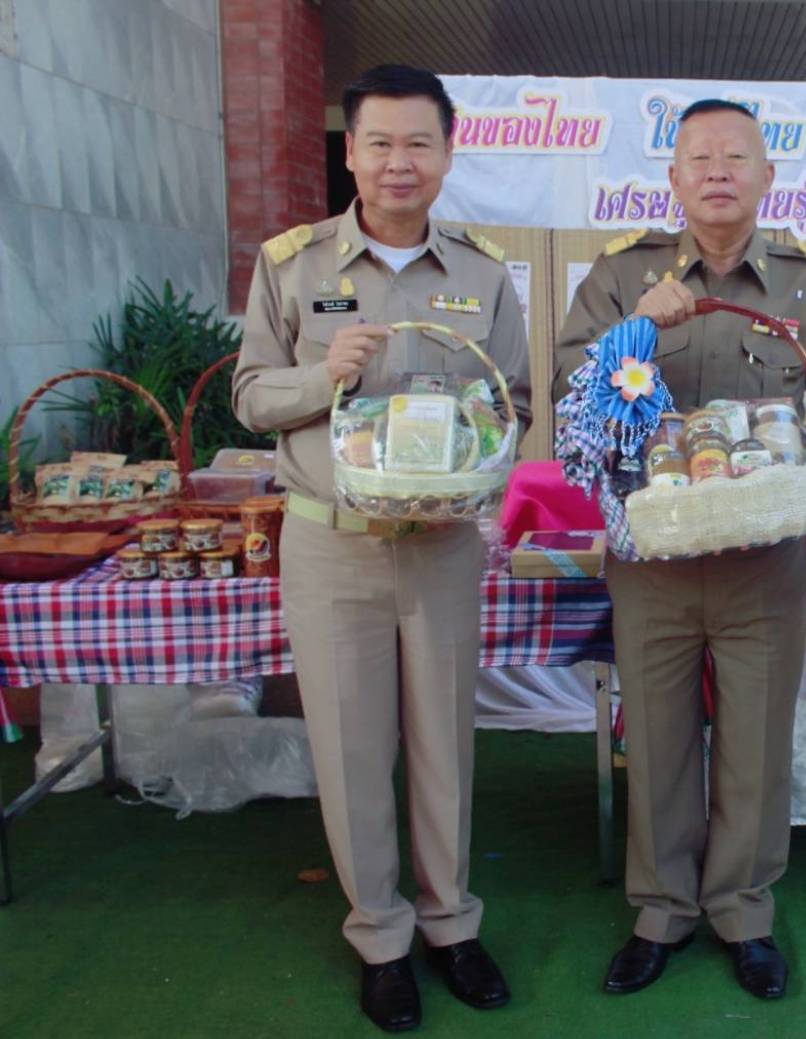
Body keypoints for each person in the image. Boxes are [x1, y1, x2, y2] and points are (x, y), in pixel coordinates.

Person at [233, 64, 532, 1034]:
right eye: (380, 143)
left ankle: (451, 924)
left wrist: (484, 456)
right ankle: (381, 937)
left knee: (445, 742)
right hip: (333, 548)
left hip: (442, 543)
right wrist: (325, 375)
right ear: (351, 151)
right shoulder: (294, 264)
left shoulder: (483, 273)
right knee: (353, 751)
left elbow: (514, 402)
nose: (400, 162)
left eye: (419, 143)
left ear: (447, 154)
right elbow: (249, 397)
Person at [553, 99, 806, 1000]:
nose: (719, 171)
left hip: (765, 563)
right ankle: (659, 911)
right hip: (653, 561)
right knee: (653, 742)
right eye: (700, 157)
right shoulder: (622, 279)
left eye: (738, 156)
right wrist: (637, 333)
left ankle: (742, 910)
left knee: (755, 744)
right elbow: (570, 404)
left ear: (769, 176)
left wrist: (793, 482)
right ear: (675, 179)